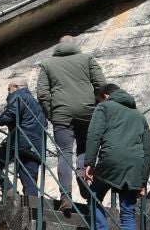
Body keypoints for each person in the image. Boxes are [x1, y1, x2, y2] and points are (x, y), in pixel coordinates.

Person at [83, 83, 150, 230]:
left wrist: (89, 161)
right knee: (128, 213)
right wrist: (143, 180)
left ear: (105, 95)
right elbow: (148, 151)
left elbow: (94, 134)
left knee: (94, 194)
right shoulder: (139, 116)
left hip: (111, 160)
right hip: (135, 166)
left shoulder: (104, 107)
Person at [35, 34, 108, 211]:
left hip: (61, 113)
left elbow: (42, 94)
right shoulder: (87, 58)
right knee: (84, 148)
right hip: (87, 111)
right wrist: (97, 105)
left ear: (58, 46)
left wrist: (51, 114)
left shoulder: (47, 64)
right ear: (75, 45)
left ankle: (65, 197)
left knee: (64, 153)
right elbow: (101, 84)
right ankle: (82, 173)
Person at [0, 79, 48, 201]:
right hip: (36, 146)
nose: (8, 93)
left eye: (9, 89)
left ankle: (9, 190)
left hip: (20, 142)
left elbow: (11, 112)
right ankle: (33, 212)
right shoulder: (35, 103)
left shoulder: (19, 96)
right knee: (29, 179)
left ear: (15, 87)